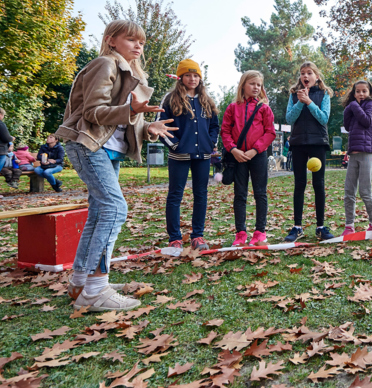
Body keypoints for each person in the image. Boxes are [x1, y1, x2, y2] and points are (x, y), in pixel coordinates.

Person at [56, 19, 176, 312]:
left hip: (108, 150)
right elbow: (93, 112)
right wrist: (131, 110)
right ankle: (96, 290)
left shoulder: (130, 72)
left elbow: (121, 121)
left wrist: (147, 126)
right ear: (111, 40)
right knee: (114, 208)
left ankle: (81, 281)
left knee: (99, 212)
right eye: (131, 39)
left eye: (142, 42)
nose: (138, 46)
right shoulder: (105, 64)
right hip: (90, 145)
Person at [160, 60, 220, 251]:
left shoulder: (207, 101)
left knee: (201, 194)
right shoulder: (170, 99)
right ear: (181, 77)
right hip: (179, 156)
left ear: (200, 78)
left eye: (196, 76)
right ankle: (175, 238)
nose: (192, 79)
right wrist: (175, 145)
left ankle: (198, 235)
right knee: (175, 195)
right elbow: (162, 126)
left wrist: (210, 144)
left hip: (202, 156)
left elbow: (214, 126)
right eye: (188, 75)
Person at [223, 70, 275, 246]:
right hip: (238, 157)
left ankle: (260, 231)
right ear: (243, 85)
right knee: (240, 194)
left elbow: (270, 132)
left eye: (259, 85)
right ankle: (240, 232)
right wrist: (233, 149)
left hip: (257, 156)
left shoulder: (264, 108)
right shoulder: (232, 107)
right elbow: (225, 131)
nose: (256, 87)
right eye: (252, 83)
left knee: (260, 193)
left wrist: (256, 150)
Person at [284, 62, 334, 242]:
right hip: (298, 143)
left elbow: (324, 118)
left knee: (318, 184)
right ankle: (297, 227)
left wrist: (309, 102)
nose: (305, 76)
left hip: (317, 142)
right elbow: (290, 118)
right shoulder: (293, 95)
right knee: (299, 184)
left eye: (309, 73)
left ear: (316, 77)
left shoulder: (324, 94)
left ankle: (320, 227)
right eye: (302, 73)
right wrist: (299, 102)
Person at [341, 80, 372, 235]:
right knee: (349, 191)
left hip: (368, 153)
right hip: (353, 153)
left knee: (365, 191)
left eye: (364, 91)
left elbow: (367, 121)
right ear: (354, 93)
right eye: (358, 91)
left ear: (370, 92)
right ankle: (349, 226)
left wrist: (353, 106)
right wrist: (348, 109)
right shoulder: (353, 107)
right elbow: (347, 127)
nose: (361, 94)